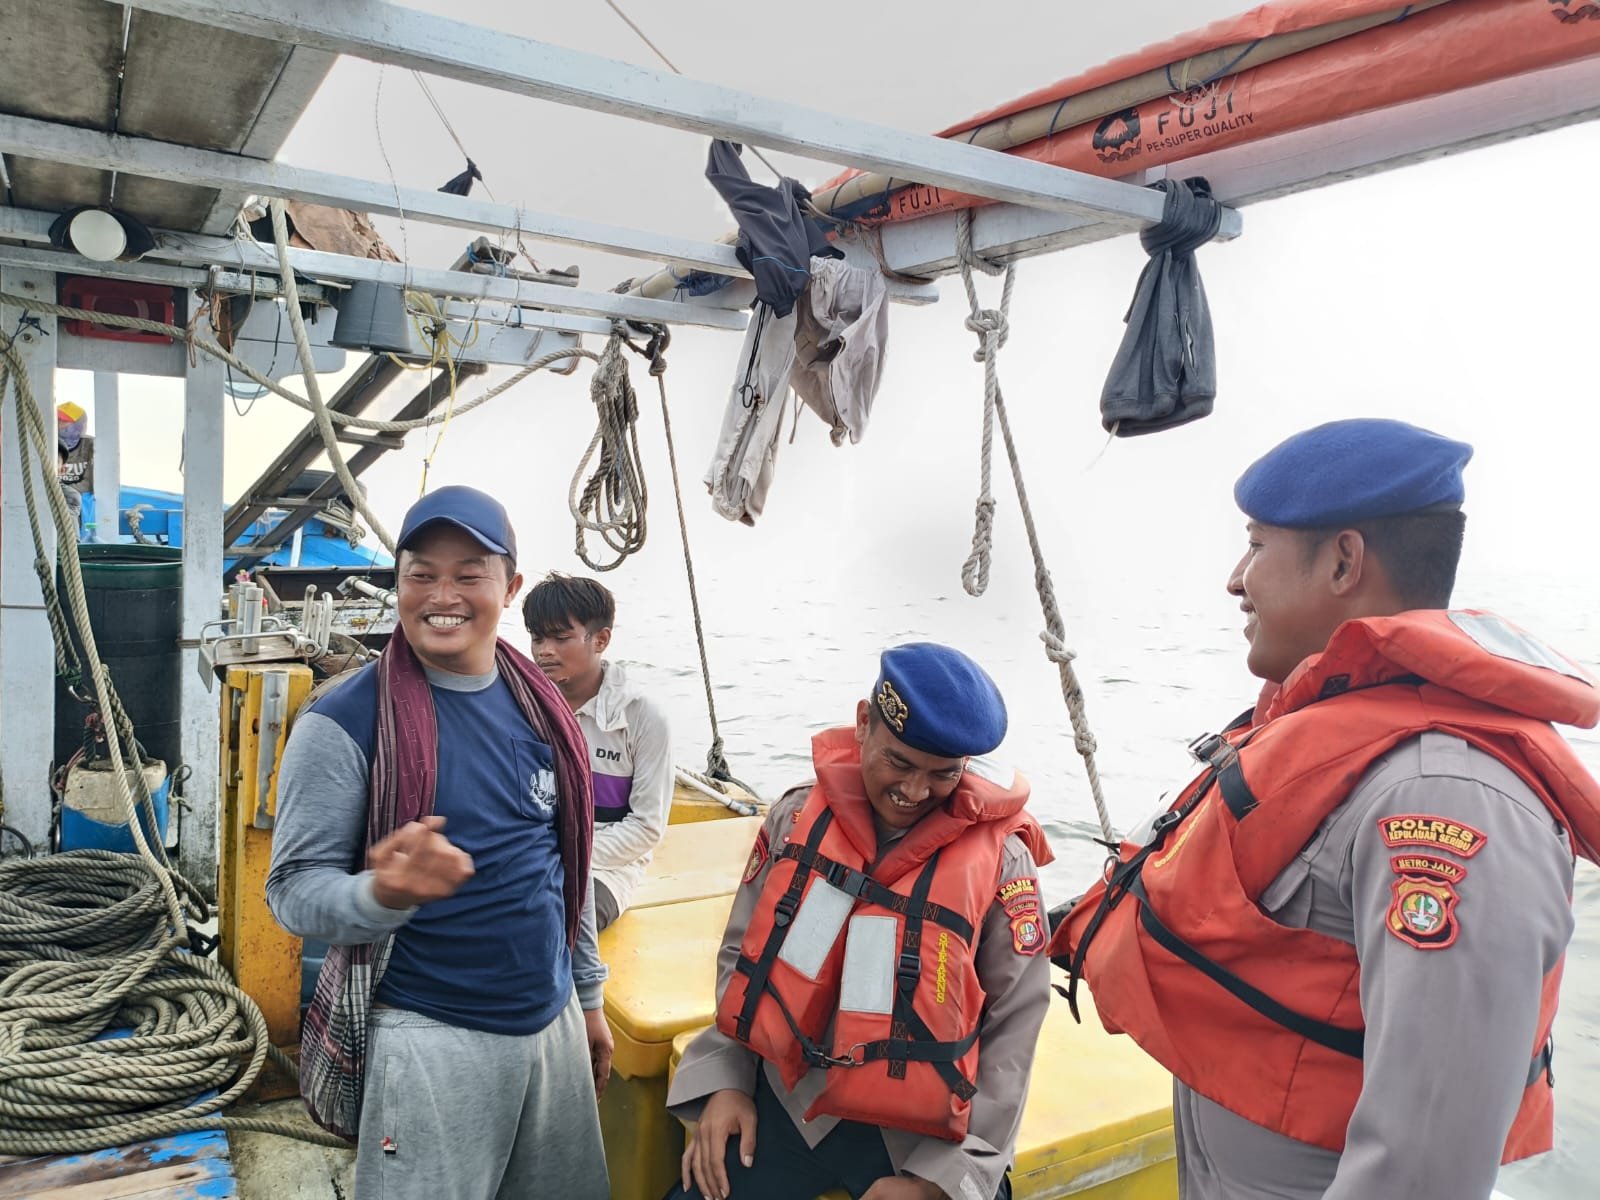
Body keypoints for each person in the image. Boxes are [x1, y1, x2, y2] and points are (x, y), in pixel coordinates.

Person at [1050, 418, 1600, 1200]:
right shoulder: (1345, 741)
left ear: (1344, 561)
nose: (1236, 579)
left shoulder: (1443, 798)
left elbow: (1424, 1170)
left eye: (1256, 545)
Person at [266, 485, 612, 1200]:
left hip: (551, 1025)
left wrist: (587, 996)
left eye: (468, 575)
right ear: (398, 584)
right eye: (421, 574)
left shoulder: (544, 708)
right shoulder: (342, 722)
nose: (442, 595)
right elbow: (292, 891)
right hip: (429, 1034)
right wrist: (381, 894)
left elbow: (563, 864)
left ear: (510, 588)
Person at [667, 643, 1054, 1200]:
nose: (915, 791)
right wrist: (725, 1080)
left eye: (942, 774)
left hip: (921, 1137)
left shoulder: (1002, 864)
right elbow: (742, 956)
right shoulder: (795, 819)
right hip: (789, 1101)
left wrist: (939, 1182)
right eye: (899, 762)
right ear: (864, 722)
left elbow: (1014, 1028)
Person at [524, 572, 672, 930]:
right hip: (527, 857)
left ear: (601, 639)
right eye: (537, 637)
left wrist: (564, 858)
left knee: (558, 922)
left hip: (606, 867)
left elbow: (646, 827)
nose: (544, 650)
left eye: (561, 638)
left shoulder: (642, 717)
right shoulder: (522, 704)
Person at [56, 402, 93, 534]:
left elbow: (90, 483)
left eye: (64, 420)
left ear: (78, 424)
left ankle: (79, 538)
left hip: (81, 498)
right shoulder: (49, 442)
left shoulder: (90, 445)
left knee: (81, 499)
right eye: (57, 419)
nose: (59, 423)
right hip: (56, 491)